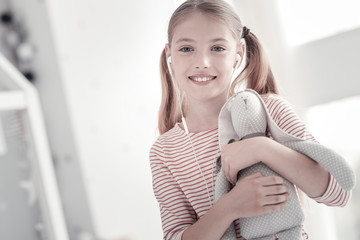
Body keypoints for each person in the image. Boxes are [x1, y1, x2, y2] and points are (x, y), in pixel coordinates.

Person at [149, 0, 351, 239]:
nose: (202, 62)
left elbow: (338, 193)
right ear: (169, 55)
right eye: (186, 49)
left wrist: (261, 147)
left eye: (217, 48)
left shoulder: (270, 110)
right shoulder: (165, 152)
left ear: (238, 54)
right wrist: (229, 207)